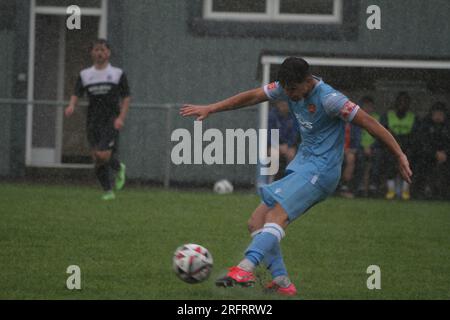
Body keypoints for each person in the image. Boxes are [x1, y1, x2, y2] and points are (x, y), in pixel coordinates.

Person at [180, 57, 412, 296]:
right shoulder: (286, 87)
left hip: (321, 172)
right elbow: (251, 96)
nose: (287, 94)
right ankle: (281, 281)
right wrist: (212, 108)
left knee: (276, 216)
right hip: (302, 167)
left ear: (307, 81)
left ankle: (245, 267)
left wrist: (399, 155)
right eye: (285, 89)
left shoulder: (331, 100)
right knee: (256, 221)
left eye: (292, 89)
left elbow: (371, 124)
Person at [65, 39, 131, 200]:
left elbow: (126, 97)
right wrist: (71, 105)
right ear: (92, 53)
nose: (99, 53)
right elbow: (77, 92)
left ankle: (118, 166)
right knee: (97, 158)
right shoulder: (85, 74)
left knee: (103, 154)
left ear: (108, 53)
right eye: (96, 50)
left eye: (102, 50)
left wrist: (121, 117)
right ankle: (108, 191)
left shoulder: (117, 74)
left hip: (111, 119)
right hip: (93, 120)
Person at [380, 92, 417, 200]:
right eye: (400, 101)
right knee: (389, 160)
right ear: (395, 103)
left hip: (407, 148)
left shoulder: (413, 118)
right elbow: (383, 132)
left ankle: (405, 190)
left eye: (405, 102)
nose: (402, 104)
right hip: (391, 148)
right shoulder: (387, 116)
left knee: (410, 160)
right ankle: (391, 190)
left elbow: (416, 136)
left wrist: (403, 143)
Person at [415, 102, 450, 199]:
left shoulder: (448, 125)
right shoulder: (425, 124)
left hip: (446, 156)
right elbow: (422, 143)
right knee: (421, 163)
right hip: (428, 156)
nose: (438, 116)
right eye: (436, 113)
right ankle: (422, 191)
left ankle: (444, 193)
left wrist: (445, 153)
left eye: (441, 114)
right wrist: (434, 153)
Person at [355, 96, 381, 197]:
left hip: (374, 148)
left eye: (370, 106)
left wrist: (371, 147)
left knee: (378, 159)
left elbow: (380, 136)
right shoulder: (357, 117)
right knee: (360, 159)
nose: (368, 108)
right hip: (360, 147)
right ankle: (360, 186)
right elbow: (356, 136)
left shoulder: (377, 118)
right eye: (366, 106)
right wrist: (362, 147)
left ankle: (373, 185)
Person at [267, 100, 299, 183]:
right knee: (274, 154)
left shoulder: (293, 116)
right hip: (274, 145)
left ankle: (290, 181)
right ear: (278, 104)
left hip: (288, 145)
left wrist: (288, 144)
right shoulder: (272, 115)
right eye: (282, 103)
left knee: (291, 155)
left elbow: (294, 133)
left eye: (286, 104)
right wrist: (278, 146)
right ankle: (270, 181)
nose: (284, 106)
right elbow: (270, 133)